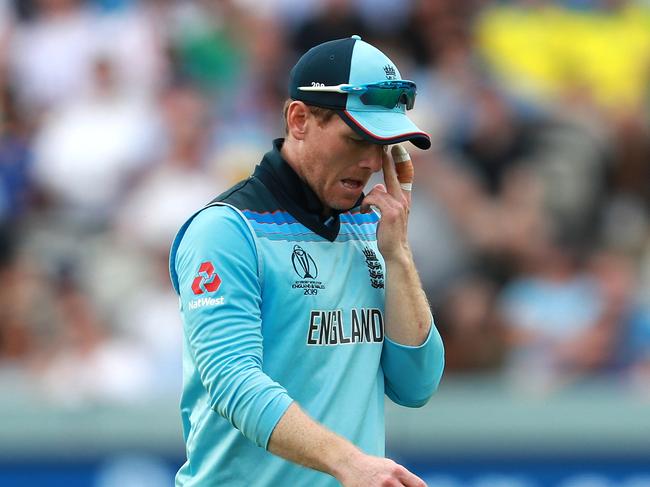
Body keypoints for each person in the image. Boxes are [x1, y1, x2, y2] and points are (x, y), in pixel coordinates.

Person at [169, 35, 445, 487]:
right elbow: (233, 383)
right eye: (358, 138)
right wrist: (348, 462)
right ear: (299, 120)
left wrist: (398, 255)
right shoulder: (226, 230)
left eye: (386, 146)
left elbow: (417, 385)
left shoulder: (371, 228)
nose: (373, 162)